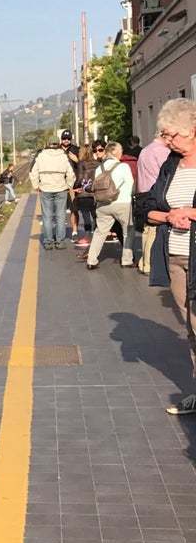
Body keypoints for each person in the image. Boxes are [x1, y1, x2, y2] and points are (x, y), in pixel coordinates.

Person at [137, 98, 196, 413]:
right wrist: (170, 216)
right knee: (190, 327)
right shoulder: (170, 164)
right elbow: (146, 207)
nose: (167, 141)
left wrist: (191, 212)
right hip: (175, 256)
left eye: (173, 135)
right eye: (165, 135)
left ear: (193, 128)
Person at [83, 141, 134, 269]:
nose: (122, 152)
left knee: (100, 232)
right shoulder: (123, 167)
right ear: (115, 152)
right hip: (122, 204)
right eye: (120, 150)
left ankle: (91, 260)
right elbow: (131, 185)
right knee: (128, 231)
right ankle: (127, 260)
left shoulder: (99, 168)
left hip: (102, 204)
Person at [29, 139, 75, 249]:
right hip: (61, 189)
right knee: (60, 216)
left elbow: (33, 172)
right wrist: (69, 185)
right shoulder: (63, 156)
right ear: (58, 144)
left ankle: (48, 242)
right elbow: (70, 173)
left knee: (47, 216)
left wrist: (36, 186)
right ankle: (60, 242)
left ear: (47, 144)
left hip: (45, 189)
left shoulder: (40, 156)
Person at [136, 132, 170, 275]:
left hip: (142, 192)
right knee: (154, 231)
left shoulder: (145, 150)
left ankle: (144, 261)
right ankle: (149, 264)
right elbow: (167, 173)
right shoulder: (162, 151)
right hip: (155, 192)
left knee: (147, 230)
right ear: (164, 135)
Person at [71, 143, 97, 247]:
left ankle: (87, 236)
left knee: (86, 216)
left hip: (83, 193)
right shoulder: (98, 163)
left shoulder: (81, 163)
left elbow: (80, 178)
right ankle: (97, 235)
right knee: (95, 215)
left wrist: (74, 187)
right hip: (95, 193)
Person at [60, 130, 80, 237]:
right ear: (61, 139)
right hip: (59, 184)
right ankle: (60, 231)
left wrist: (77, 160)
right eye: (64, 138)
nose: (66, 140)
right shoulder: (57, 150)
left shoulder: (76, 149)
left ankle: (75, 230)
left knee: (74, 208)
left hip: (73, 184)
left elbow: (83, 163)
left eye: (68, 139)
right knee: (60, 209)